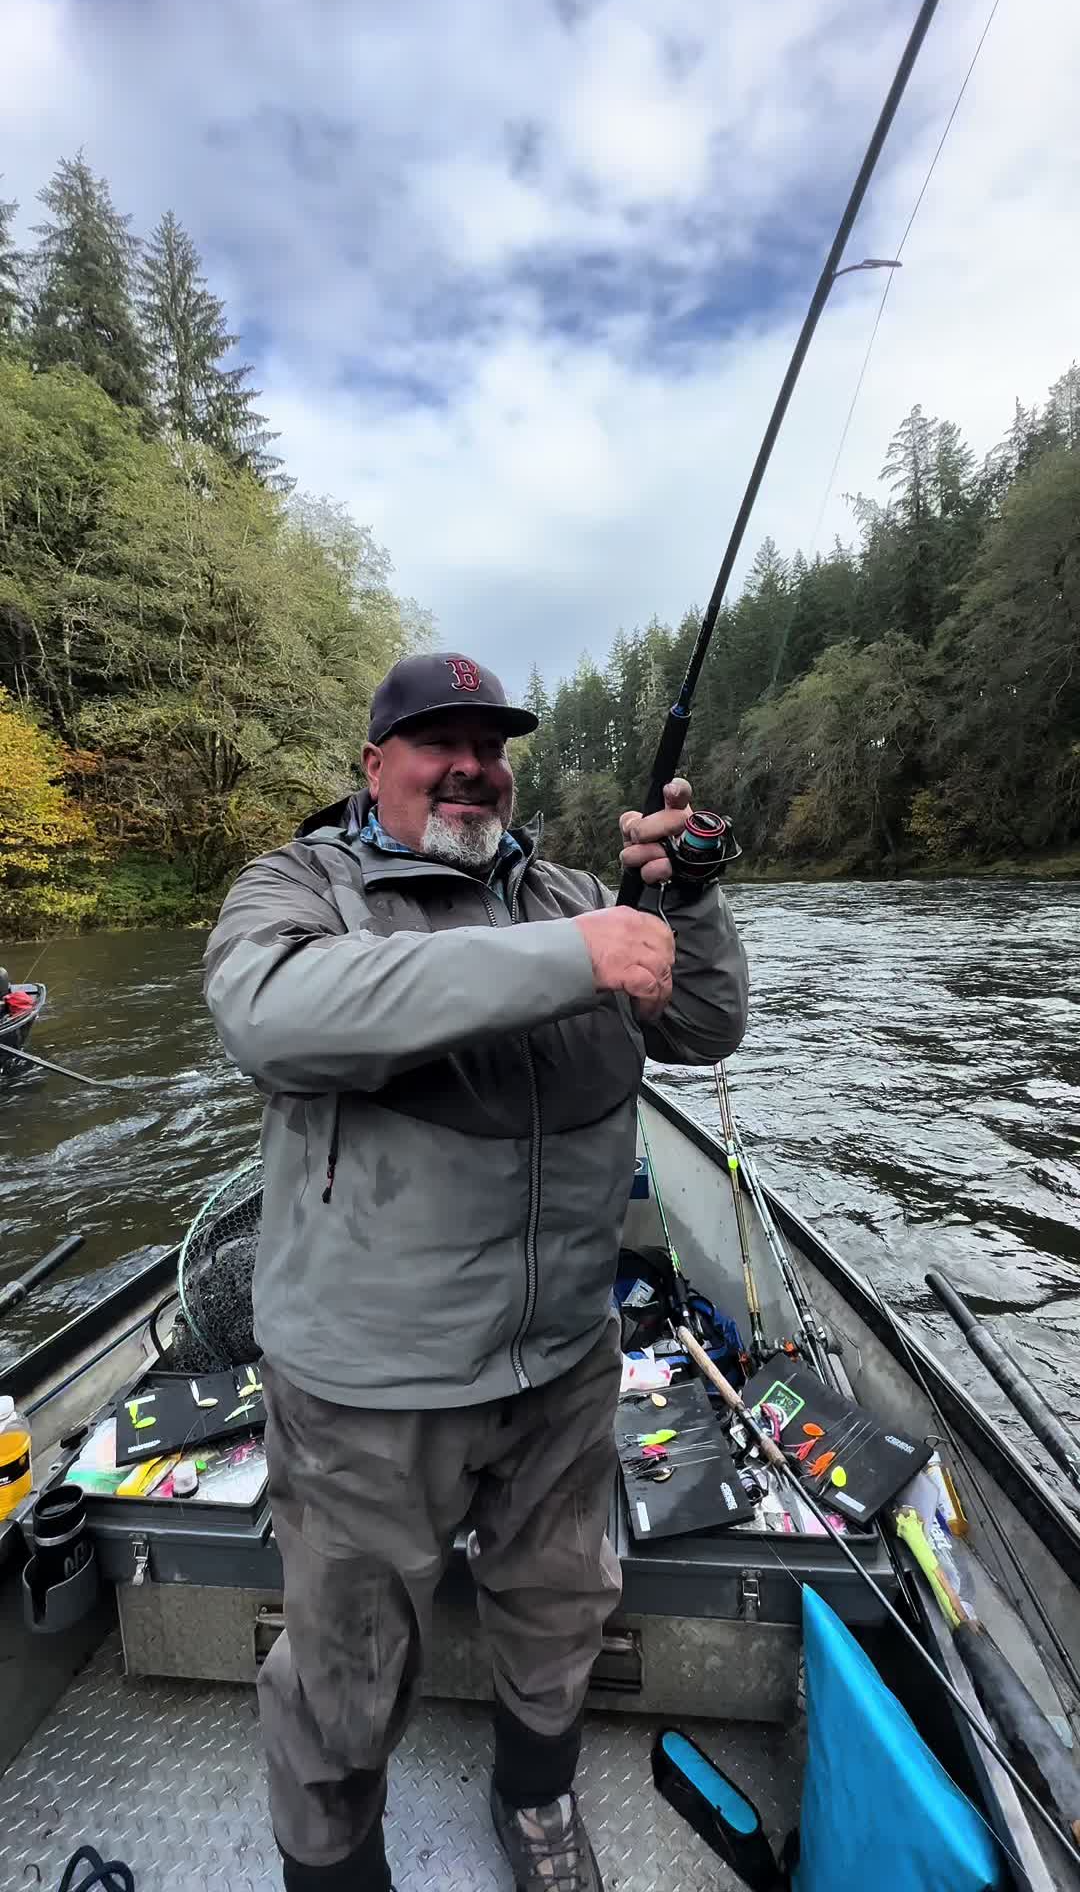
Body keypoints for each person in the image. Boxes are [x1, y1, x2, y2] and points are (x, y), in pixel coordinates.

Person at [203, 652, 750, 1892]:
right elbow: (269, 1015)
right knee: (342, 1677)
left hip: (562, 1358)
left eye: (490, 745)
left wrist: (687, 902)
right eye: (436, 740)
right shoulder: (301, 887)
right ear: (374, 765)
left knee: (561, 1609)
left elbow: (704, 1027)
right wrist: (576, 957)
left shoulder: (562, 889)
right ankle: (338, 1872)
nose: (470, 766)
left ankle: (537, 1807)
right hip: (365, 1387)